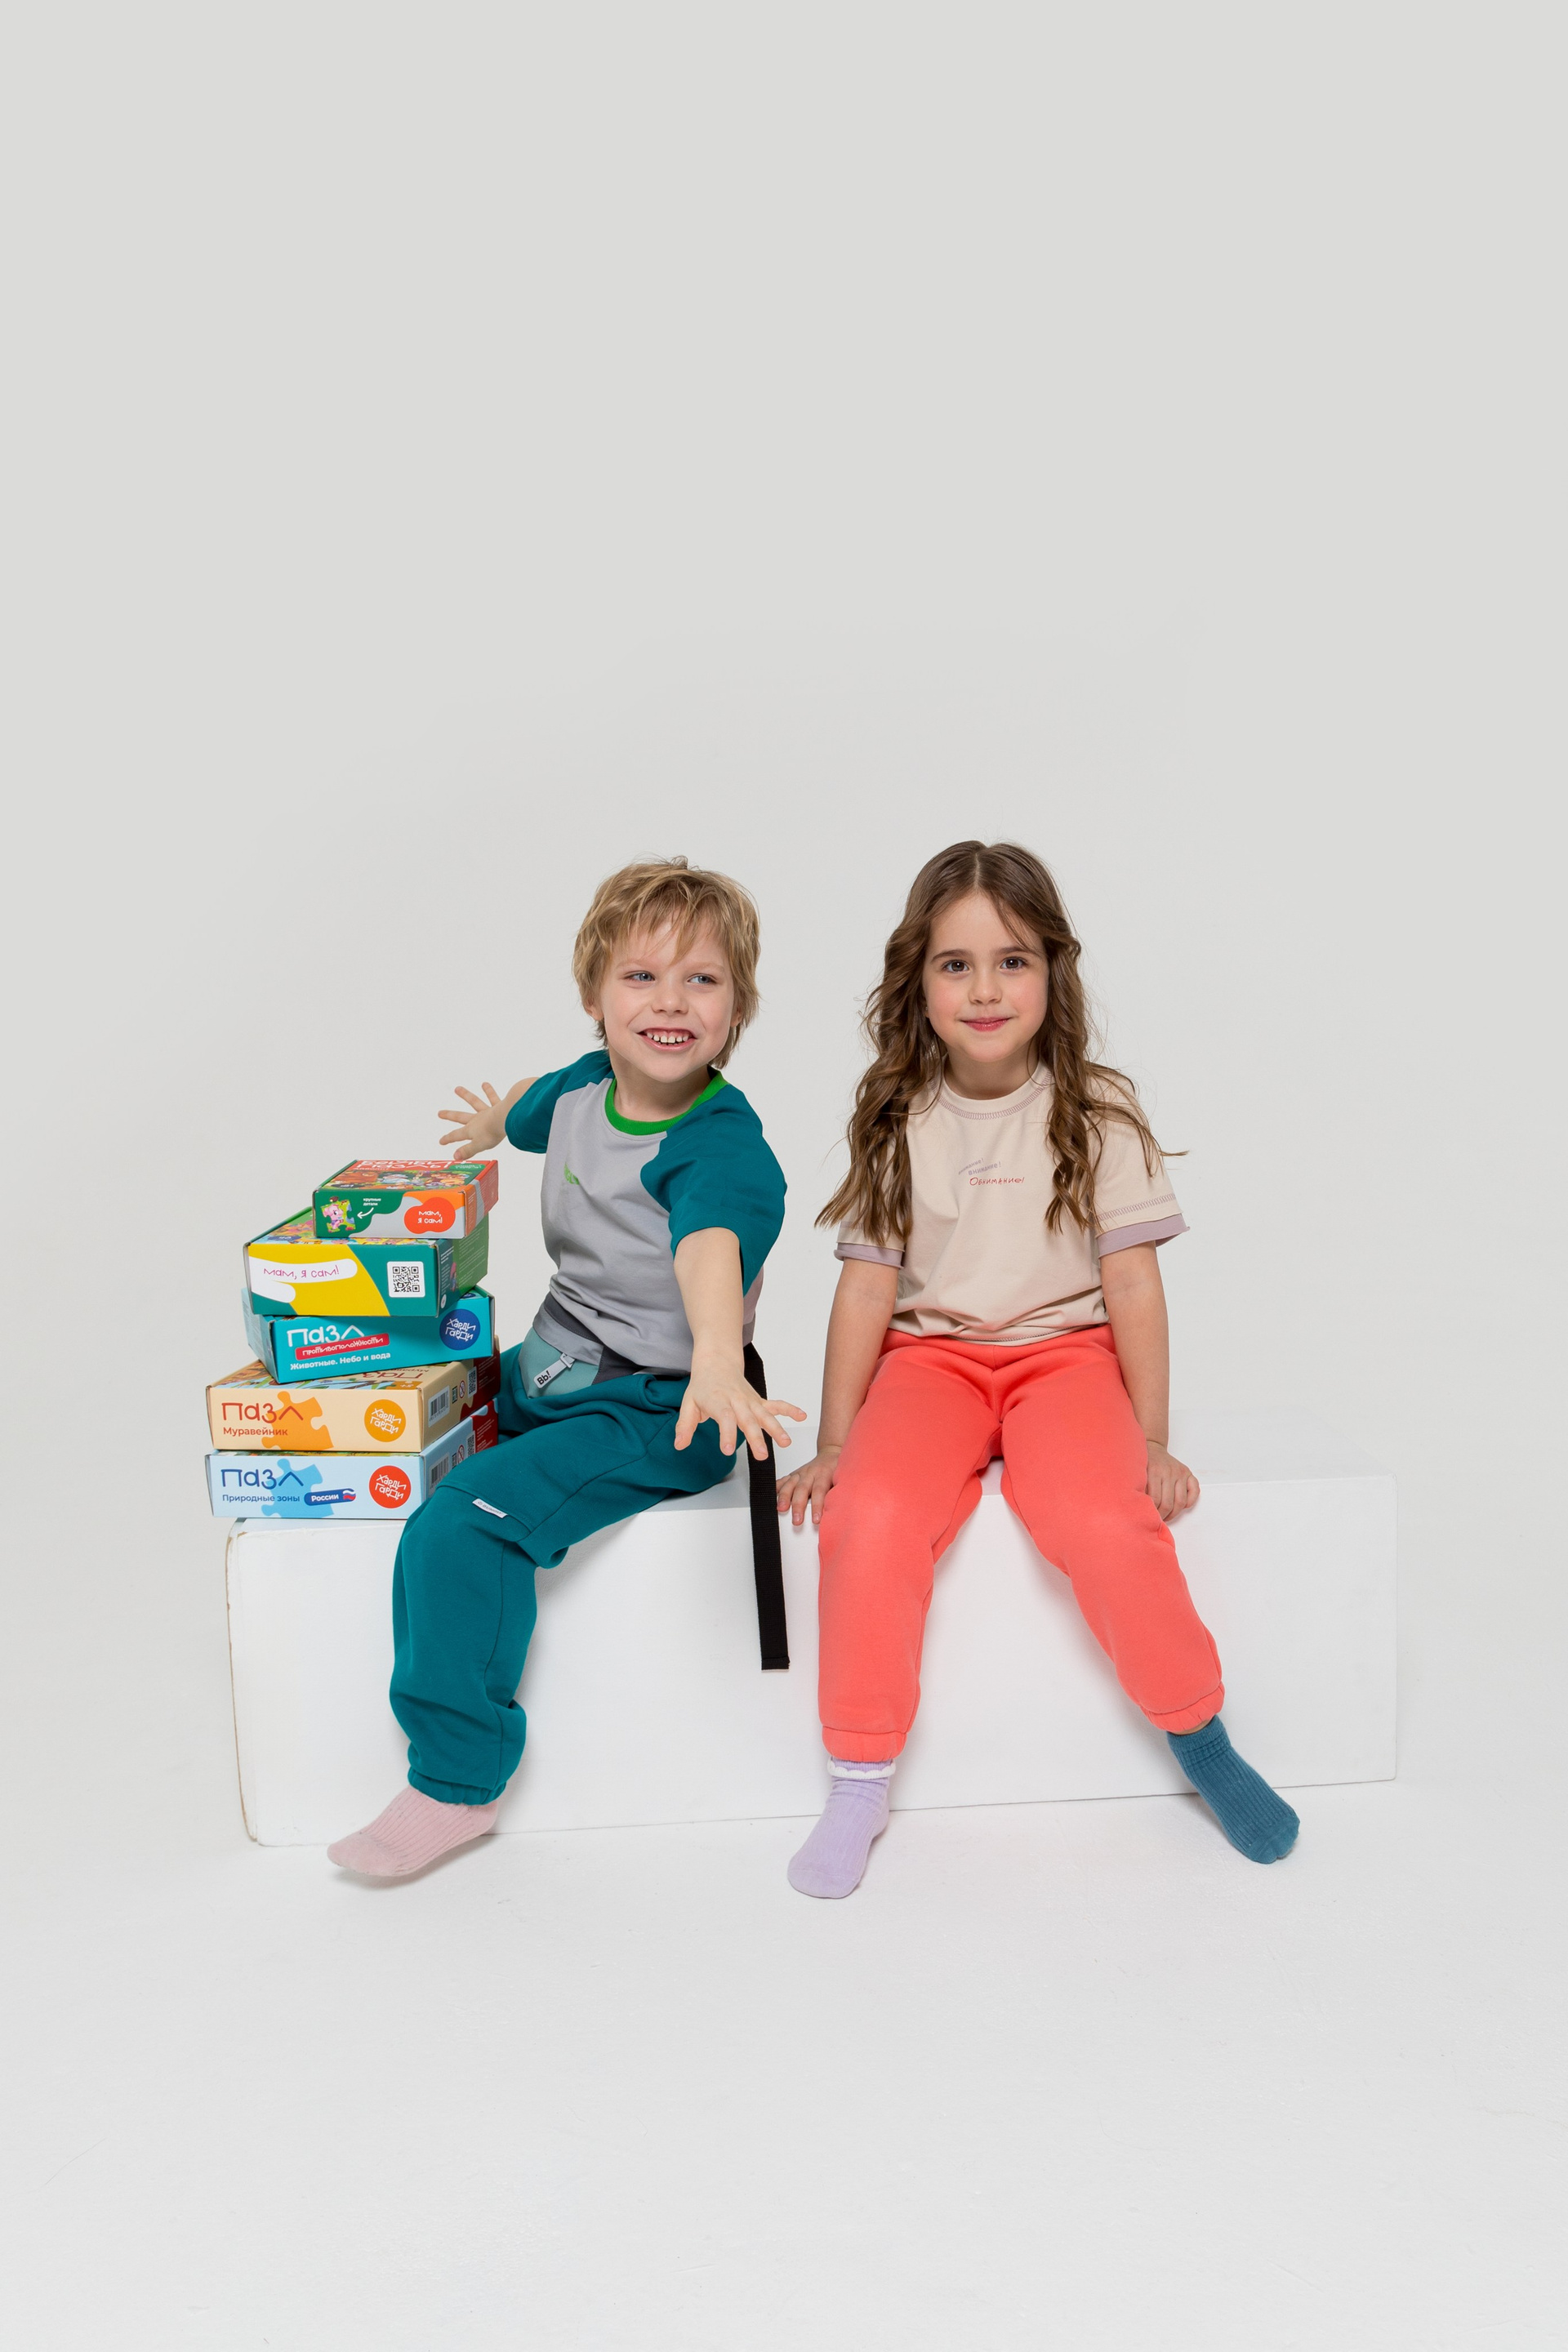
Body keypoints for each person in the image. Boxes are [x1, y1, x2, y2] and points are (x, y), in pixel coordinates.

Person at [777, 839, 1299, 1898]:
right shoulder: (896, 1115)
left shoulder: (1096, 1108)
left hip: (1065, 1360)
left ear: (1053, 970)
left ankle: (1200, 1737)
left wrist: (1151, 1439)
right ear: (918, 980)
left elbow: (1134, 1285)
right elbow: (867, 1292)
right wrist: (836, 1443)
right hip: (931, 1361)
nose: (985, 990)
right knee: (870, 1517)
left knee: (1103, 1520)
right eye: (956, 964)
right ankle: (859, 1780)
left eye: (1012, 961)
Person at [330, 858, 803, 1880]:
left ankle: (458, 1781)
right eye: (641, 977)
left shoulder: (721, 1148)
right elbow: (535, 1109)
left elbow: (709, 1245)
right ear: (595, 997)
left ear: (738, 1008)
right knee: (391, 1405)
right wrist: (493, 1124)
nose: (669, 1002)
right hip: (552, 1366)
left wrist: (718, 1360)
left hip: (661, 1406)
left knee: (462, 1523)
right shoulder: (586, 1086)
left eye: (703, 981)